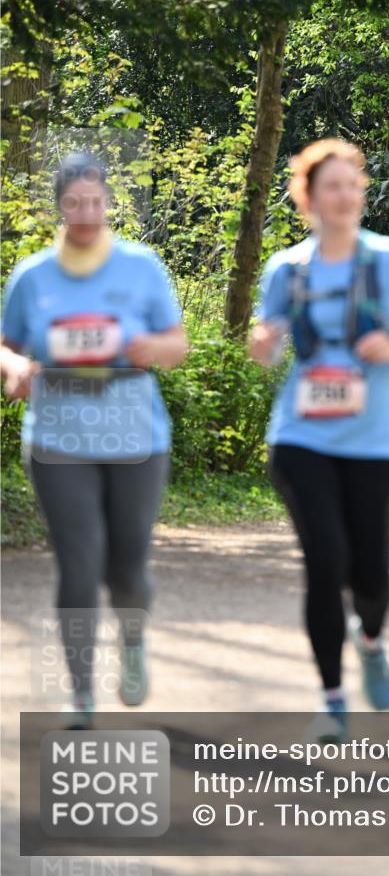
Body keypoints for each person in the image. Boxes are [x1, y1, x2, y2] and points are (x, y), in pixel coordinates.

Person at [249, 138, 389, 741]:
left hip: (374, 440)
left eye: (352, 185)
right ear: (307, 198)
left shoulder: (388, 259)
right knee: (325, 562)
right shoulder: (286, 269)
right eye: (331, 186)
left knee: (371, 576)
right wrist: (264, 344)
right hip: (301, 436)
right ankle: (332, 700)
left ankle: (372, 641)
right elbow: (266, 346)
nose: (344, 195)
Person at [0, 151, 188, 728]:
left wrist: (152, 348)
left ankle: (132, 641)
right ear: (59, 206)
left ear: (108, 202)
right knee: (78, 566)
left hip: (136, 437)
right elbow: (6, 344)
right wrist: (15, 367)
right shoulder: (32, 276)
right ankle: (81, 693)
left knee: (126, 569)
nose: (84, 212)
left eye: (94, 201)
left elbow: (177, 344)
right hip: (58, 438)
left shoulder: (142, 267)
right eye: (73, 202)